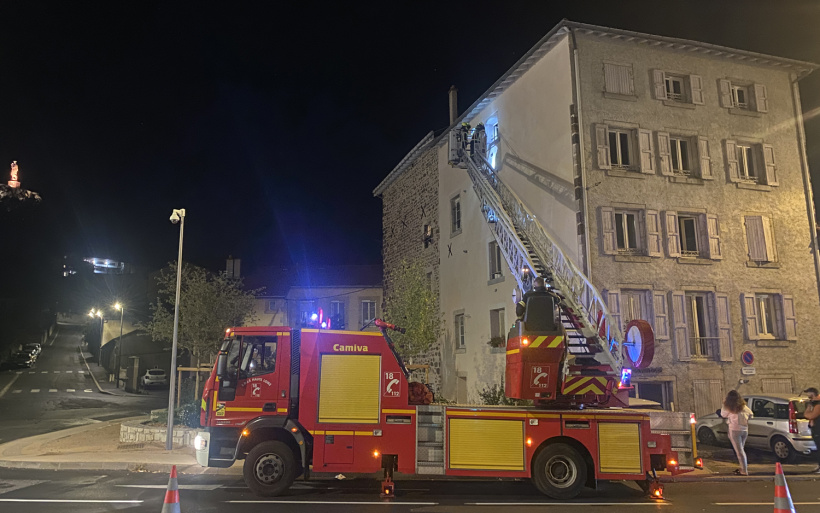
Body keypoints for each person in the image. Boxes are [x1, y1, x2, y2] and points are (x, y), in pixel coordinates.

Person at [718, 390, 754, 476]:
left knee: (739, 451)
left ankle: (744, 471)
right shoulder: (744, 406)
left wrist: (724, 404)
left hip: (734, 430)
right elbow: (751, 415)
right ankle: (742, 468)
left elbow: (723, 414)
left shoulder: (729, 407)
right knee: (741, 450)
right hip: (744, 430)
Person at [801, 387, 820, 473]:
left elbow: (810, 416)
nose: (809, 399)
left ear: (813, 395)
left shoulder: (818, 405)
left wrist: (808, 408)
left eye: (810, 397)